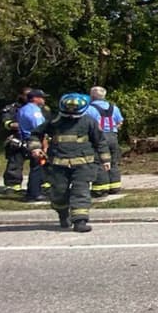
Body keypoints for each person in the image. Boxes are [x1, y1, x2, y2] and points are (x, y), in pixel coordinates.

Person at [29, 93, 109, 232]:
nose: (71, 116)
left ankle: (80, 222)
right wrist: (35, 147)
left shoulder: (89, 121)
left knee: (81, 191)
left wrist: (105, 160)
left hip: (84, 164)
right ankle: (63, 214)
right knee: (59, 192)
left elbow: (100, 141)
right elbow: (36, 134)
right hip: (58, 164)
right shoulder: (54, 121)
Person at [86, 86, 125, 195]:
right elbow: (120, 122)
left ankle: (100, 189)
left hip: (98, 137)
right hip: (113, 136)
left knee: (99, 162)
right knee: (113, 162)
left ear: (92, 96)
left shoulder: (89, 109)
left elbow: (85, 124)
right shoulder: (114, 107)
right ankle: (115, 187)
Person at [16, 88, 49, 202]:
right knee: (37, 167)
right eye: (42, 97)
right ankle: (35, 193)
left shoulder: (23, 109)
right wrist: (45, 144)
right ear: (35, 98)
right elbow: (40, 129)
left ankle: (31, 191)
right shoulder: (34, 111)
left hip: (27, 139)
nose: (44, 100)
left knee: (35, 167)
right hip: (35, 140)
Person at [2, 87, 30, 194]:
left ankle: (41, 185)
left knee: (41, 163)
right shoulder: (11, 108)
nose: (29, 98)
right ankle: (12, 185)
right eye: (27, 95)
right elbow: (7, 123)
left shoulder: (37, 108)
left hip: (34, 139)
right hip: (17, 138)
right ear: (20, 96)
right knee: (15, 161)